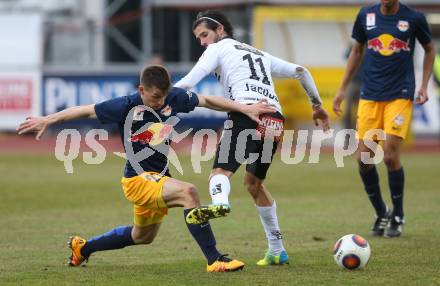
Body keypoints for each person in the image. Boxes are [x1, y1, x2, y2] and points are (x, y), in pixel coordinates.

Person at [17, 65, 277, 272]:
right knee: (189, 193)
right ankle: (215, 260)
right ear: (142, 89)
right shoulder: (125, 105)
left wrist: (245, 108)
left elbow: (208, 100)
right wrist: (47, 119)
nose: (160, 101)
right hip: (138, 180)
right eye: (155, 96)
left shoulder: (173, 97)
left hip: (157, 178)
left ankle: (82, 248)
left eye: (163, 95)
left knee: (142, 236)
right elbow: (84, 111)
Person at [174, 10, 330, 265]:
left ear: (220, 31)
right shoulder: (260, 54)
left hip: (249, 114)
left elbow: (189, 82)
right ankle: (277, 250)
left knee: (219, 174)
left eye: (204, 34)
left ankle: (220, 203)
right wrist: (317, 105)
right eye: (198, 38)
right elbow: (301, 71)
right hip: (275, 120)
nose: (202, 42)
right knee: (253, 183)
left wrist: (157, 100)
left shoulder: (218, 48)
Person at [333, 0, 435, 237]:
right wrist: (342, 89)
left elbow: (430, 48)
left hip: (400, 94)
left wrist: (423, 85)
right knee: (364, 159)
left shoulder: (414, 18)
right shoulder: (365, 15)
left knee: (389, 155)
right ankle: (381, 212)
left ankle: (398, 215)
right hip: (369, 96)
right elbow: (357, 51)